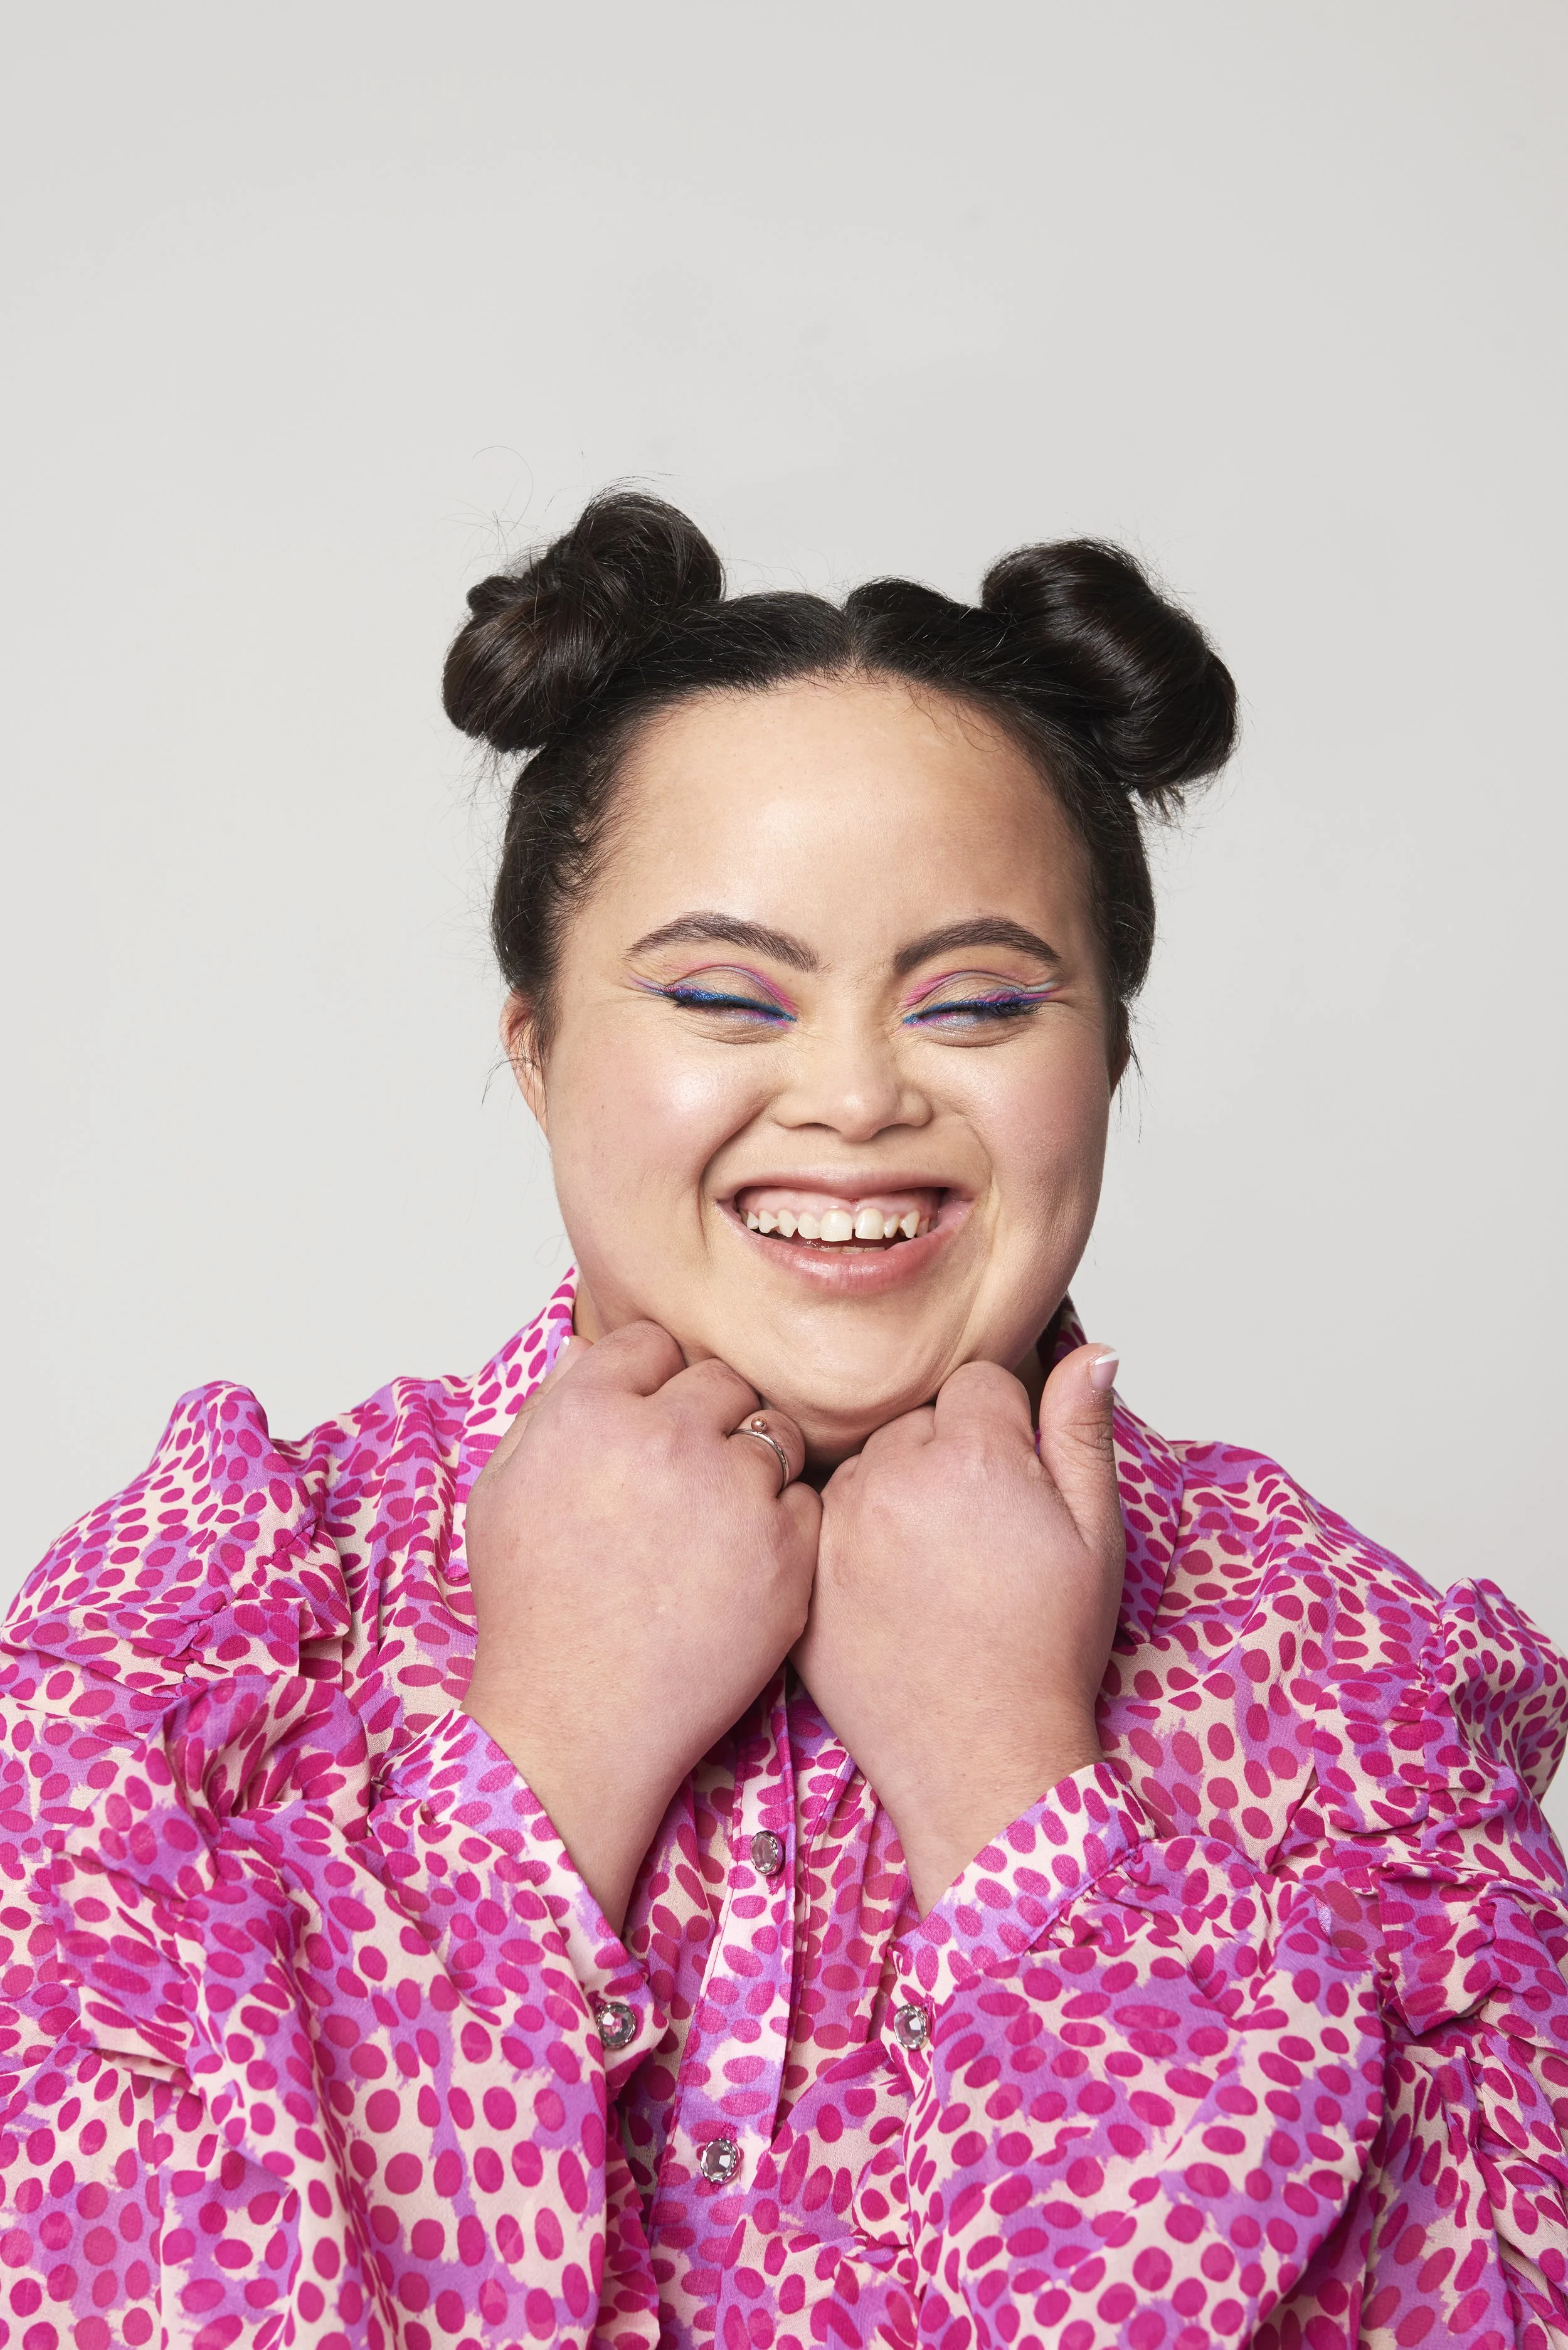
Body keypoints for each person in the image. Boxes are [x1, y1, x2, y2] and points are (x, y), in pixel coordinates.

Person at [4, 494, 1565, 2350]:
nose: (851, 1096)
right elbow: (95, 2287)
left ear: (1112, 1054)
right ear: (535, 1046)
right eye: (721, 996)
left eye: (976, 1001)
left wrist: (1011, 1784)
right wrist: (548, 1749)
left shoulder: (1346, 1671)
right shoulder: (220, 1610)